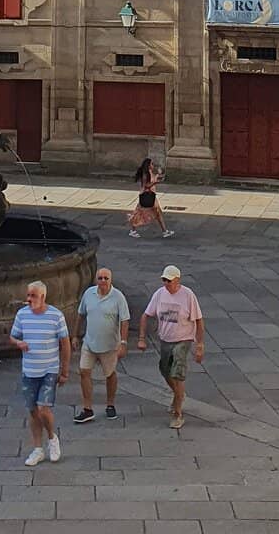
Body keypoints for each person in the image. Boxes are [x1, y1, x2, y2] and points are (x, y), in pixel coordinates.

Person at [9, 280, 70, 466]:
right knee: (33, 411)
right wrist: (18, 343)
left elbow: (65, 344)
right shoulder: (22, 315)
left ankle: (52, 439)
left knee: (44, 409)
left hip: (48, 370)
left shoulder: (55, 316)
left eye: (33, 296)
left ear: (43, 296)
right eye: (28, 295)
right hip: (29, 370)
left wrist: (64, 370)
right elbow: (13, 336)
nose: (29, 299)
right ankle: (37, 449)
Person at [137, 265, 204, 430]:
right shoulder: (159, 294)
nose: (166, 283)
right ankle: (179, 395)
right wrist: (141, 338)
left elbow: (199, 320)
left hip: (183, 339)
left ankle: (177, 413)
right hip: (165, 339)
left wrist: (200, 344)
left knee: (177, 371)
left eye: (169, 280)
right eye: (164, 280)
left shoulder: (188, 295)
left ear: (177, 280)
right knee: (165, 369)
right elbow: (146, 315)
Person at [72, 266, 130, 423]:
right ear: (96, 280)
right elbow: (80, 315)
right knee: (84, 372)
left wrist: (123, 342)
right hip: (89, 342)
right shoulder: (88, 294)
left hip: (110, 345)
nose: (103, 281)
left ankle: (110, 404)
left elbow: (124, 321)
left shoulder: (118, 297)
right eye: (100, 278)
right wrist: (75, 336)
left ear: (111, 280)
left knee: (110, 374)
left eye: (106, 278)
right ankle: (87, 408)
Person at [127, 157, 175, 239]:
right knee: (139, 212)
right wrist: (155, 182)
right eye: (152, 164)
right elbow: (147, 185)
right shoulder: (145, 174)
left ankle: (164, 231)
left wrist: (158, 175)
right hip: (146, 195)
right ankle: (133, 230)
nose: (153, 165)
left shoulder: (149, 172)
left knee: (158, 212)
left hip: (151, 195)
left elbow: (152, 181)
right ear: (148, 165)